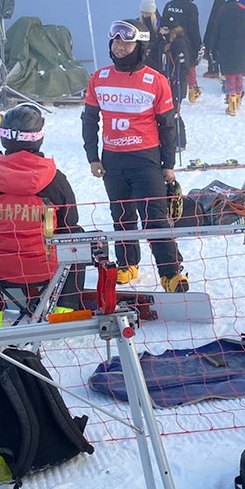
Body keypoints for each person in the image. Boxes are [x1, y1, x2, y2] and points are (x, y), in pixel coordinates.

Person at [82, 19, 189, 291]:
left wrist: (168, 165)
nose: (119, 47)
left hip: (146, 159)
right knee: (121, 215)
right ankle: (128, 263)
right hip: (112, 159)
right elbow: (90, 120)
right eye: (116, 41)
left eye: (126, 42)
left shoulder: (156, 80)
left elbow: (167, 126)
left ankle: (171, 272)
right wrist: (92, 157)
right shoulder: (99, 78)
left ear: (139, 46)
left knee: (154, 217)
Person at [0, 104, 82, 324]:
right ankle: (64, 310)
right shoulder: (54, 179)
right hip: (47, 264)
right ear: (38, 138)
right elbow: (70, 222)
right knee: (78, 237)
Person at [207, 0, 245, 116]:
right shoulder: (243, 11)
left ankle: (231, 100)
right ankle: (238, 99)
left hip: (225, 48)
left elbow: (215, 32)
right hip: (241, 48)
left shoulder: (222, 11)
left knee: (229, 75)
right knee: (238, 74)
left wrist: (212, 49)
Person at [161, 0, 202, 102]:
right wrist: (198, 45)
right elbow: (194, 27)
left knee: (169, 64)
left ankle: (167, 87)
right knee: (189, 65)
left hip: (168, 41)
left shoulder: (169, 5)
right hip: (185, 42)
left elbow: (162, 23)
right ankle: (192, 89)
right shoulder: (191, 7)